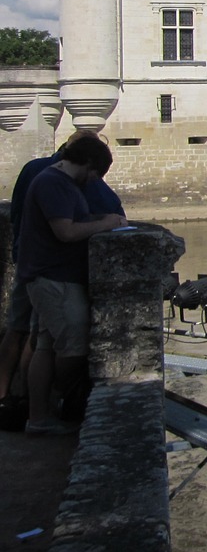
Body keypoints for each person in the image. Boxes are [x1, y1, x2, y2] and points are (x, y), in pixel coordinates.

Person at [16, 132, 127, 435]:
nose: (94, 181)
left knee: (46, 347)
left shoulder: (55, 181)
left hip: (47, 275)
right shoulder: (54, 183)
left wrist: (99, 216)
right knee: (73, 347)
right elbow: (65, 231)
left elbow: (74, 218)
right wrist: (105, 223)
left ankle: (38, 416)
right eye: (95, 173)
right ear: (88, 163)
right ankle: (59, 400)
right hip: (54, 278)